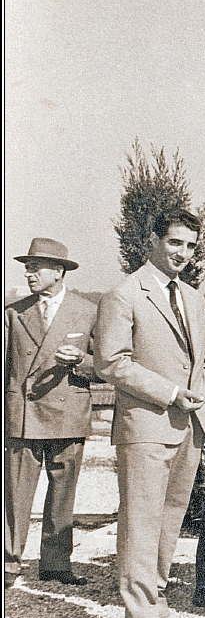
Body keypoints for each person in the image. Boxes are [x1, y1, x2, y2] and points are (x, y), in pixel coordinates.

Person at [95, 209, 205, 618]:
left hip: (188, 425)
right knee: (141, 523)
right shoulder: (124, 294)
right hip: (145, 425)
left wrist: (202, 403)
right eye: (175, 242)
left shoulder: (192, 296)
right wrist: (170, 393)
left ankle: (159, 604)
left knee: (170, 519)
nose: (182, 253)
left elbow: (202, 360)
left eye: (190, 246)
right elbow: (111, 362)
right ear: (152, 240)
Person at [5, 238, 97, 587]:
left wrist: (82, 361)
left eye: (36, 268)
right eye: (27, 268)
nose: (29, 274)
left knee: (63, 492)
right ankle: (8, 563)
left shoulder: (87, 311)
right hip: (23, 413)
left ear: (58, 272)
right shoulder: (13, 313)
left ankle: (56, 564)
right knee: (15, 493)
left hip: (67, 411)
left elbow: (108, 364)